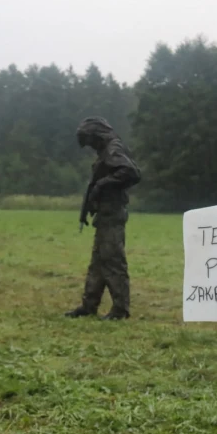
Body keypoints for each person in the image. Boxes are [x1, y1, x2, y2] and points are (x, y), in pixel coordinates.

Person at [65, 117, 141, 320]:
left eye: (90, 141)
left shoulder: (113, 149)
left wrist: (103, 184)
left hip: (112, 213)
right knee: (98, 263)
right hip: (106, 214)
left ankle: (120, 309)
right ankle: (89, 305)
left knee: (113, 261)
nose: (90, 146)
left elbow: (131, 172)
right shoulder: (107, 151)